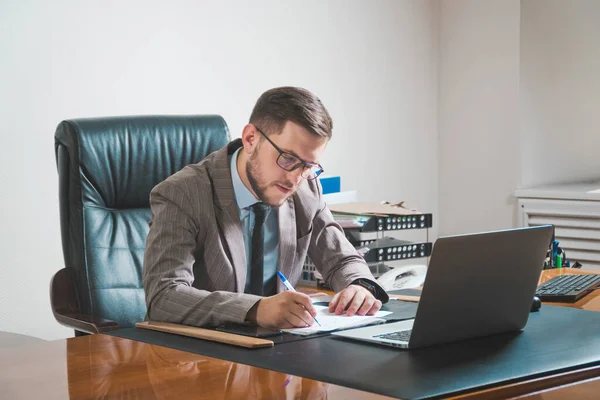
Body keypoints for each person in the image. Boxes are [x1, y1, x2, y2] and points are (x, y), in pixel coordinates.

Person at [142, 86, 388, 329]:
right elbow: (164, 296)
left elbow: (341, 259)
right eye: (288, 159)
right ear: (251, 139)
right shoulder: (183, 193)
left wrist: (359, 286)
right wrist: (254, 309)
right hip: (199, 356)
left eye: (308, 166)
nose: (294, 179)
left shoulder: (306, 188)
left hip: (279, 348)